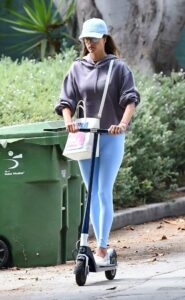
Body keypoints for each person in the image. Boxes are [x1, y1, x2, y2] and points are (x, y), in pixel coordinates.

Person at [55, 18, 140, 266]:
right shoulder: (77, 68)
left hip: (111, 137)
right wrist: (68, 121)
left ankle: (102, 248)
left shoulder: (119, 68)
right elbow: (66, 101)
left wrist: (122, 125)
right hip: (85, 137)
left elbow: (130, 99)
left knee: (103, 191)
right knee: (90, 192)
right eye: (86, 39)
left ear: (105, 39)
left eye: (94, 38)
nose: (89, 43)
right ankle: (91, 244)